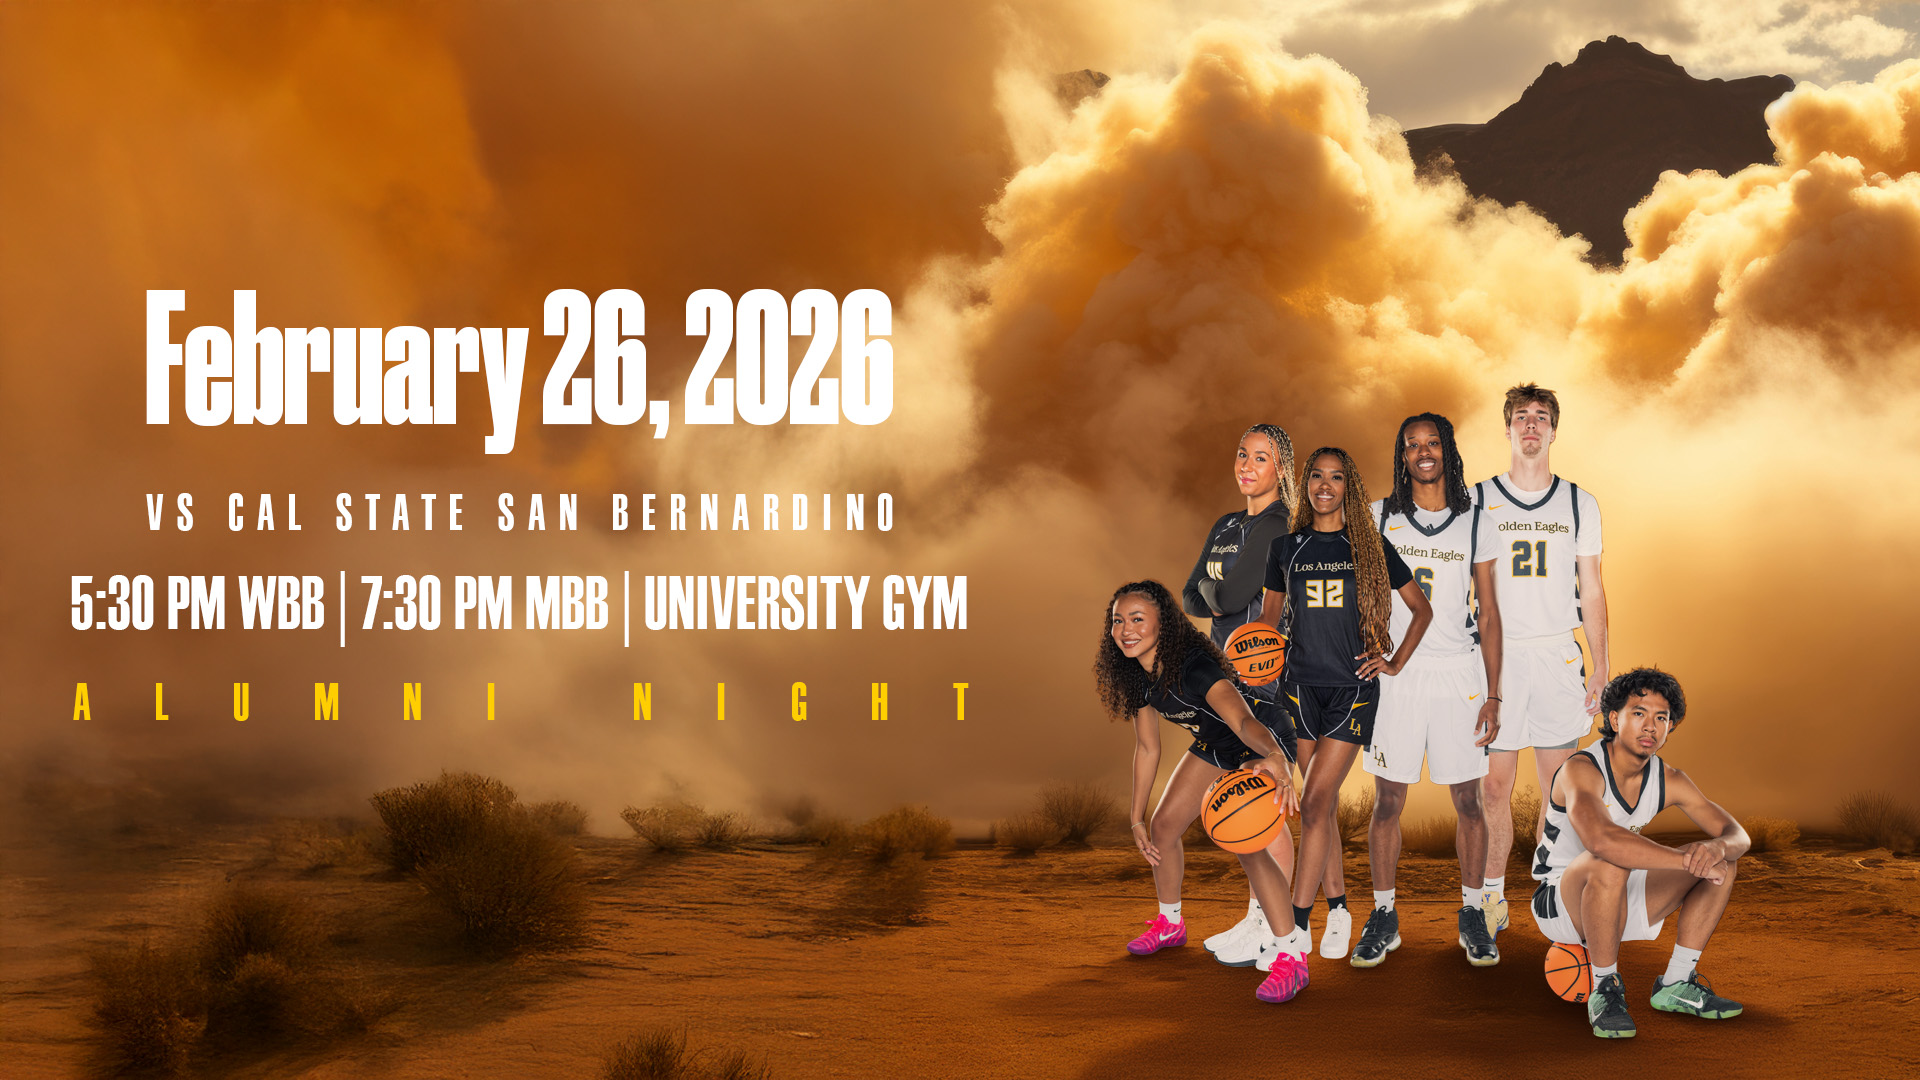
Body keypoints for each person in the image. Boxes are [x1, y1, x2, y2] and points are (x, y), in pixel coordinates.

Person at [1256, 448, 1432, 962]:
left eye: (1336, 477)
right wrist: (1249, 662)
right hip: (1297, 689)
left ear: (1348, 487)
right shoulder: (1285, 548)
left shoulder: (1370, 547)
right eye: (1316, 476)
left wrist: (1393, 662)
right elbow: (1266, 625)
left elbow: (1421, 609)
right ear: (1306, 484)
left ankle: (1295, 929)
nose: (1325, 485)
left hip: (1352, 689)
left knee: (1313, 803)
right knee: (1323, 806)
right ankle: (1338, 910)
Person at [1181, 424, 1348, 965]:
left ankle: (1278, 930)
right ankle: (1260, 917)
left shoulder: (1278, 524)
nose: (1247, 465)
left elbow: (1225, 595)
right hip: (1228, 681)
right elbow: (1190, 598)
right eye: (1242, 454)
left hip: (1268, 683)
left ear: (1282, 469)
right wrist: (1214, 595)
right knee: (1248, 793)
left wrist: (1215, 592)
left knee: (1263, 798)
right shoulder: (1227, 525)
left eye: (1261, 457)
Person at [1098, 580, 1311, 1002]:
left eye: (1137, 619)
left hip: (1260, 738)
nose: (1126, 630)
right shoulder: (1136, 673)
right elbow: (1148, 748)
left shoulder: (1195, 666)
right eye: (1118, 621)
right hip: (1216, 743)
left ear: (1164, 623)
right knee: (1163, 827)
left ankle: (1291, 957)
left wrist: (1275, 757)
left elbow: (1244, 722)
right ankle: (1170, 924)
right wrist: (1135, 817)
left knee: (1245, 839)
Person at [1352, 413, 1504, 968]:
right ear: (1402, 455)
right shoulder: (1378, 517)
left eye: (1432, 442)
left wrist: (1494, 694)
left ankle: (1473, 912)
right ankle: (1384, 914)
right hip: (1397, 676)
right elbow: (1358, 593)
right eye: (1412, 444)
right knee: (1388, 800)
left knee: (1468, 800)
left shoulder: (1476, 521)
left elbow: (1489, 614)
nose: (1423, 452)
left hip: (1458, 672)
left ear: (1447, 451)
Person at [1530, 668, 1748, 1039]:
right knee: (1611, 859)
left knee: (1721, 862)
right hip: (1560, 902)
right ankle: (1604, 989)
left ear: (1670, 727)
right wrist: (1684, 860)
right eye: (1638, 713)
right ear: (1614, 719)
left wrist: (1717, 847)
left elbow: (1738, 835)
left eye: (1661, 718)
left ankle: (1676, 984)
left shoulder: (1669, 778)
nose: (1650, 726)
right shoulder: (1581, 769)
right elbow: (1601, 841)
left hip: (1617, 895)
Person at [1476, 384, 1608, 938]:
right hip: (1499, 657)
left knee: (1559, 790)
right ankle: (1488, 898)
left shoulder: (1579, 502)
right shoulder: (1478, 499)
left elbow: (1593, 589)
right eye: (1521, 416)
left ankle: (1554, 895)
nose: (1531, 425)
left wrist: (1601, 666)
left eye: (1541, 417)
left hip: (1557, 654)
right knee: (1493, 787)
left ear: (1554, 431)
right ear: (1507, 428)